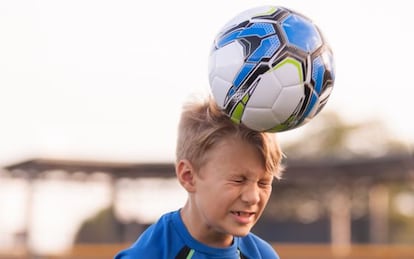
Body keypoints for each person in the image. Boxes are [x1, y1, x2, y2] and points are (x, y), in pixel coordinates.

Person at [115, 96, 284, 259]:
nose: (252, 197)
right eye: (238, 180)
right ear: (188, 176)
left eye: (264, 183)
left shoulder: (262, 255)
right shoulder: (149, 255)